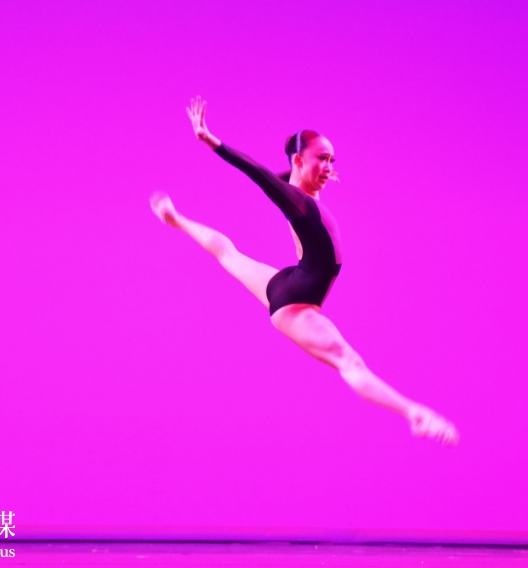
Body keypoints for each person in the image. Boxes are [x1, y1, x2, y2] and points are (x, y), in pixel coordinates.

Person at [150, 96, 459, 445]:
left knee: (226, 252)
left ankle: (176, 219)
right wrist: (213, 142)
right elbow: (259, 174)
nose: (327, 167)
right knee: (349, 362)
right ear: (298, 160)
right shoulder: (296, 198)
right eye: (321, 159)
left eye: (331, 161)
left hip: (289, 281)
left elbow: (281, 178)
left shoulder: (300, 190)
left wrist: (316, 174)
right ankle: (415, 414)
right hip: (296, 305)